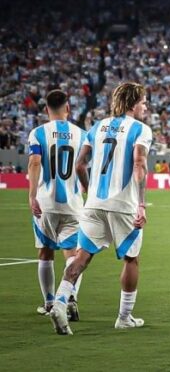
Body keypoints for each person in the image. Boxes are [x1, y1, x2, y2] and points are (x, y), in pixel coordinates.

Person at [49, 82, 152, 335]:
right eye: (143, 102)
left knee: (81, 257)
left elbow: (80, 165)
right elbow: (139, 164)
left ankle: (60, 302)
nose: (146, 107)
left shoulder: (96, 127)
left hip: (93, 203)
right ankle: (124, 317)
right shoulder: (141, 129)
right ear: (132, 103)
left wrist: (87, 189)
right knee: (131, 258)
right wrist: (141, 204)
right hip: (123, 205)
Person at [27, 90, 85, 321]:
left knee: (45, 252)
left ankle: (50, 302)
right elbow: (82, 166)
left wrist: (32, 196)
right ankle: (69, 297)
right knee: (72, 254)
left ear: (45, 109)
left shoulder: (37, 133)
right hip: (73, 204)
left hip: (45, 203)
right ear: (68, 108)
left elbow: (34, 162)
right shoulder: (81, 134)